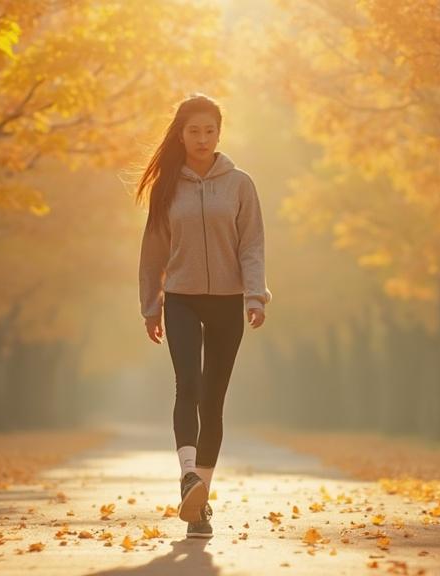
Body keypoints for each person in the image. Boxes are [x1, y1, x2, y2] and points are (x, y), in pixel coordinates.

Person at [136, 93, 271, 539]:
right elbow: (153, 251)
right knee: (187, 386)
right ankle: (188, 474)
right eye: (193, 130)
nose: (201, 138)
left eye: (209, 130)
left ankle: (199, 503)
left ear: (219, 133)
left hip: (228, 300)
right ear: (181, 133)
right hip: (181, 297)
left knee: (213, 399)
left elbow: (251, 243)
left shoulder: (240, 184)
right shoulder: (167, 187)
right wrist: (150, 305)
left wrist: (255, 296)